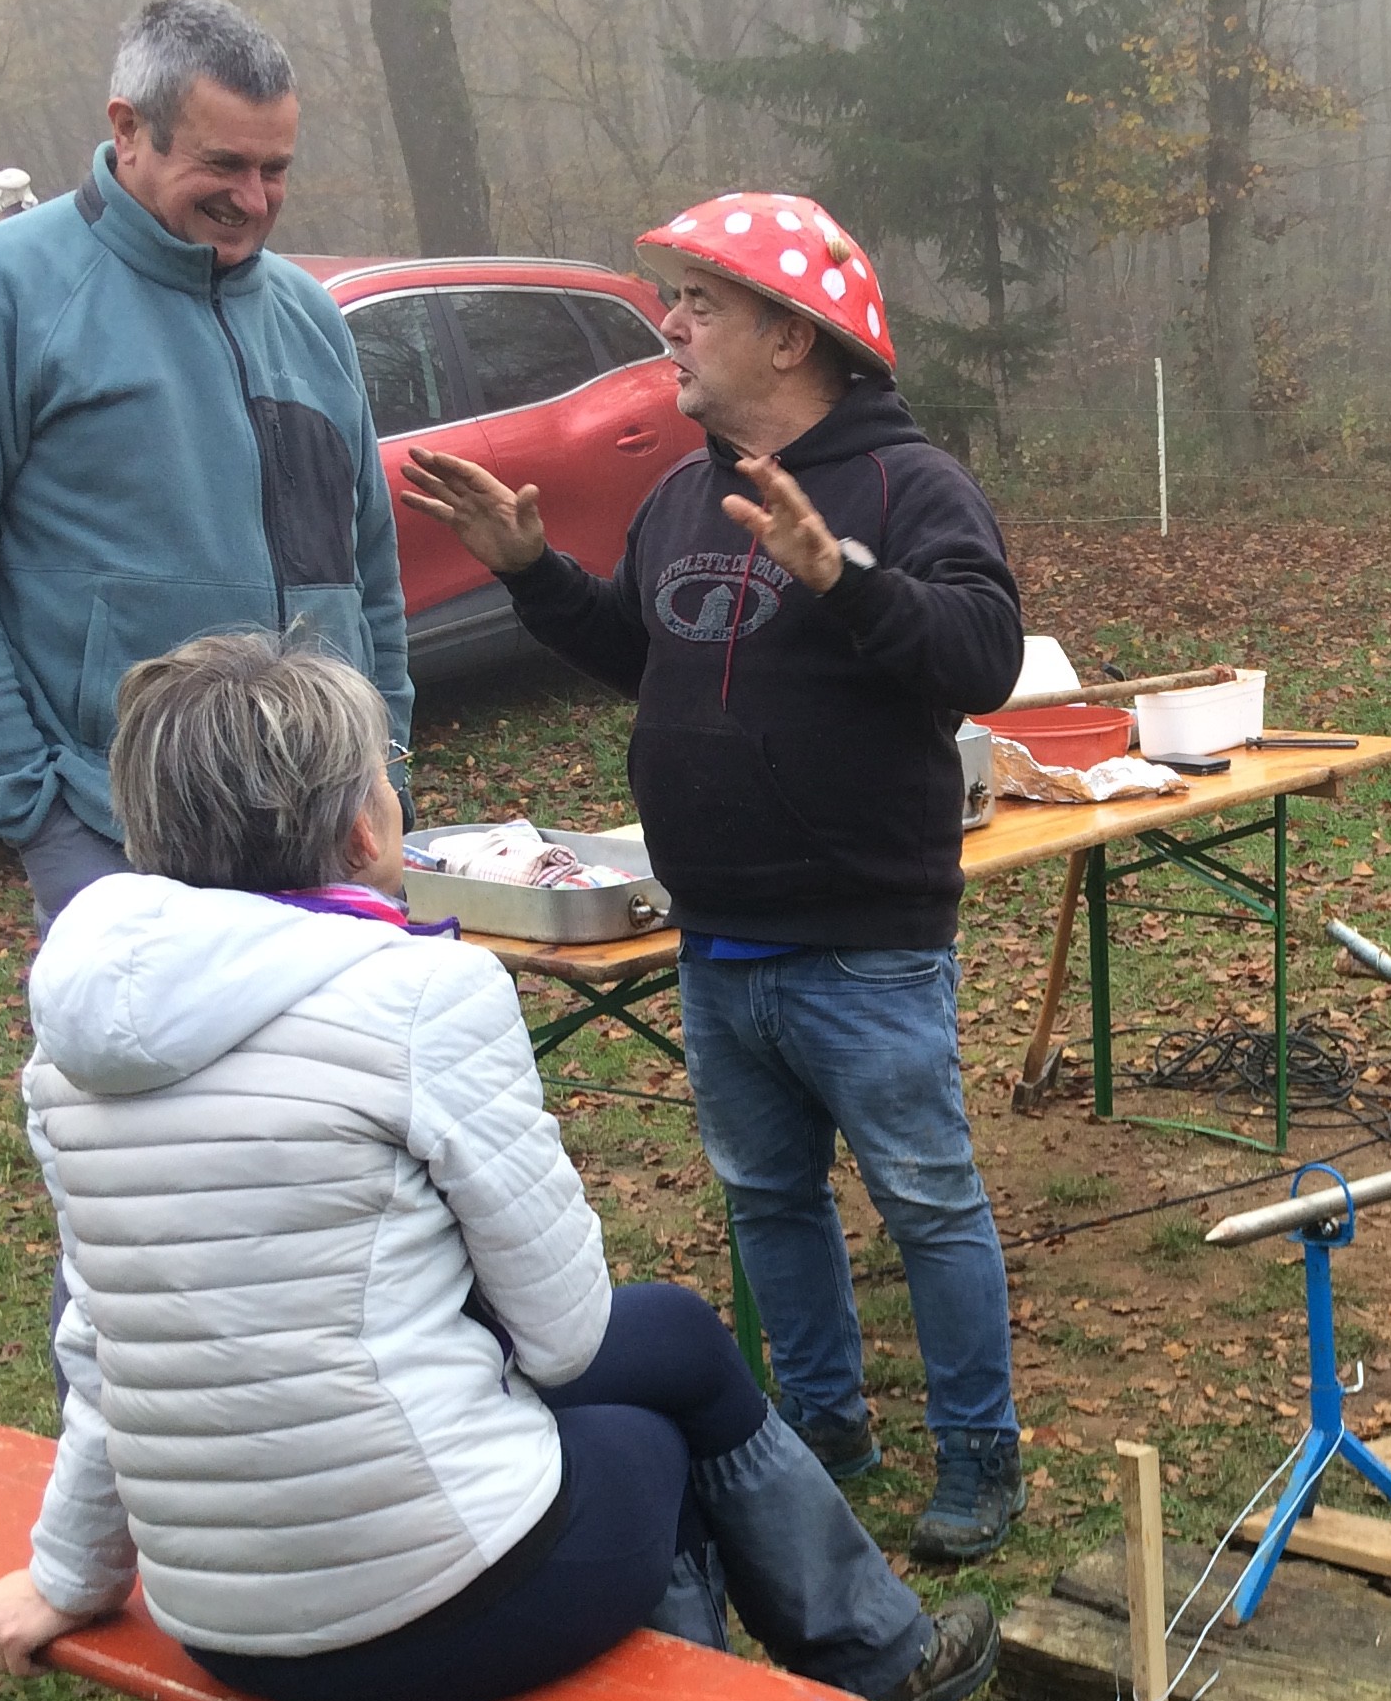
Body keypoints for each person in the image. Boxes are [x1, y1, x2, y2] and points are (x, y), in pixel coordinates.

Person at [0, 632, 998, 1701]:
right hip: (431, 1606)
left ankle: (876, 1662)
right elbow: (559, 1337)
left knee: (670, 1334)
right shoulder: (419, 995)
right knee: (654, 1435)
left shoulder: (72, 1054)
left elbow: (108, 1348)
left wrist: (65, 1574)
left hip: (224, 1618)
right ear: (356, 829)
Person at [400, 193, 1031, 1563]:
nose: (669, 324)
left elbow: (980, 656)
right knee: (769, 1202)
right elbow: (649, 655)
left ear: (793, 337)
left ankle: (981, 1454)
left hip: (866, 941)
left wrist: (845, 578)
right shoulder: (686, 492)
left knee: (927, 1202)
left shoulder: (910, 488)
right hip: (719, 938)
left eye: (699, 301)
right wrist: (529, 573)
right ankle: (824, 1424)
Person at [0, 0, 410, 930]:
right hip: (121, 836)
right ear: (129, 129)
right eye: (223, 163)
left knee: (332, 1077)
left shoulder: (310, 317)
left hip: (326, 827)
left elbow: (365, 570)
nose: (255, 196)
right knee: (144, 1079)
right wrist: (35, 810)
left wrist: (383, 762)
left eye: (276, 168)